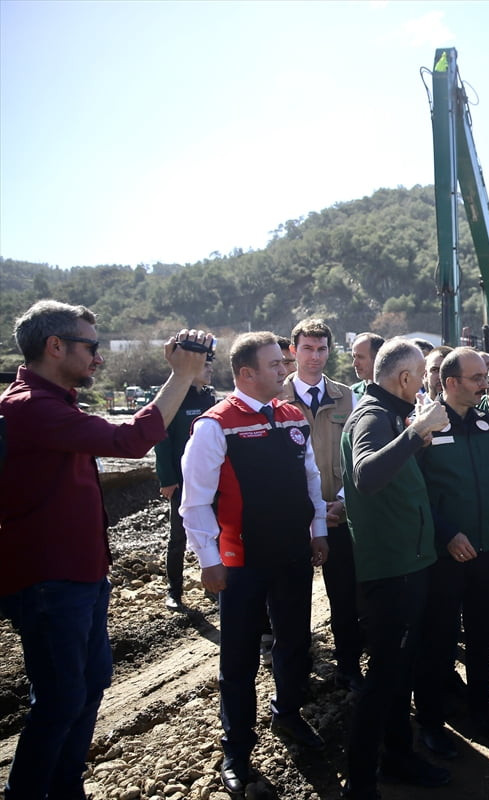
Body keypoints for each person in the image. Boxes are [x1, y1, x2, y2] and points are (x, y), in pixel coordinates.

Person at [0, 300, 211, 799]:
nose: (98, 358)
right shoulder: (30, 407)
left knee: (91, 683)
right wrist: (181, 376)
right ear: (55, 346)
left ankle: (65, 787)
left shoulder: (55, 403)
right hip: (50, 582)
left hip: (80, 575)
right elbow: (132, 439)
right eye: (91, 347)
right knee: (60, 699)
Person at [180, 331, 329, 794]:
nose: (285, 370)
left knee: (294, 643)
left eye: (283, 363)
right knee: (239, 659)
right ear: (246, 373)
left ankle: (287, 713)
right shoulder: (214, 425)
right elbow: (195, 501)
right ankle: (237, 749)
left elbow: (310, 478)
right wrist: (209, 559)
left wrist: (318, 531)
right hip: (241, 562)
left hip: (292, 554)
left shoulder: (291, 417)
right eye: (275, 365)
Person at [340, 338, 452, 798]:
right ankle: (361, 780)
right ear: (405, 378)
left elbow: (397, 478)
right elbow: (366, 475)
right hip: (392, 568)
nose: (425, 384)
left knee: (399, 671)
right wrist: (417, 430)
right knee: (385, 676)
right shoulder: (371, 415)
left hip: (408, 561)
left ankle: (398, 756)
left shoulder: (390, 414)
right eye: (421, 376)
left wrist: (417, 437)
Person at [414, 348, 489, 755]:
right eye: (476, 378)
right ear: (450, 382)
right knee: (437, 640)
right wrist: (446, 534)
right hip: (445, 555)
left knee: (481, 637)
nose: (484, 384)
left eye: (485, 377)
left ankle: (482, 711)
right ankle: (431, 722)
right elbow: (417, 492)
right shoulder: (425, 426)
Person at [282, 318, 363, 691]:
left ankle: (349, 666)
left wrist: (342, 502)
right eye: (307, 348)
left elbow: (358, 455)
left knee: (345, 597)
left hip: (338, 515)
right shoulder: (276, 398)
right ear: (293, 351)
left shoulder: (348, 397)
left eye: (322, 349)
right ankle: (296, 676)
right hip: (294, 519)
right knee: (292, 602)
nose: (315, 356)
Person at [154, 347, 217, 610]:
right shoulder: (174, 397)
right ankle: (175, 591)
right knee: (178, 536)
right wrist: (167, 479)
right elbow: (161, 440)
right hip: (181, 480)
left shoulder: (209, 397)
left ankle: (213, 584)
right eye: (205, 365)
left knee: (213, 531)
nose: (210, 369)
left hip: (210, 477)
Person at [350, 332, 385, 400]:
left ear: (377, 358)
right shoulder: (351, 393)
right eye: (354, 357)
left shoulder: (396, 392)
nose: (354, 364)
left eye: (360, 357)